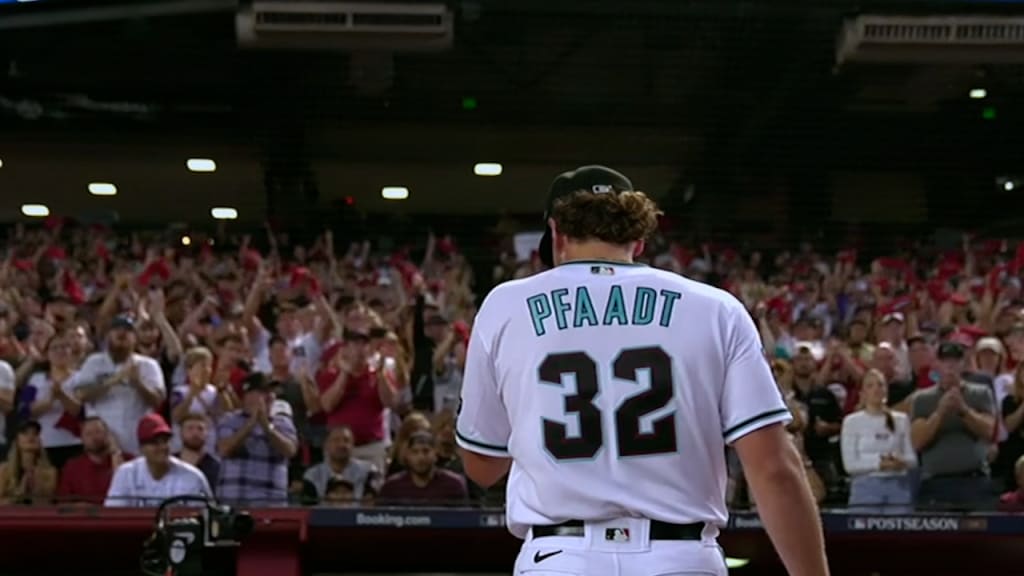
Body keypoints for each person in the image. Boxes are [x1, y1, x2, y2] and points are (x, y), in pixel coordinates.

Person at [455, 166, 829, 576]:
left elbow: (482, 465)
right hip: (683, 557)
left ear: (556, 232)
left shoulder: (506, 305)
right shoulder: (715, 308)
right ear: (638, 237)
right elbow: (773, 468)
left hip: (561, 557)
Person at [840, 369, 917, 513]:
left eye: (880, 385)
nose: (876, 389)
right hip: (865, 488)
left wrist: (900, 462)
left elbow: (912, 459)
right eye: (870, 385)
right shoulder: (852, 422)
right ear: (862, 394)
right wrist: (880, 464)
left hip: (898, 487)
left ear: (886, 390)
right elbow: (849, 465)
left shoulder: (901, 420)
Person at [105, 413, 212, 507]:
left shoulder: (192, 477)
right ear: (142, 449)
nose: (162, 447)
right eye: (154, 442)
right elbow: (113, 516)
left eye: (165, 441)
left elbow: (203, 520)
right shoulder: (126, 474)